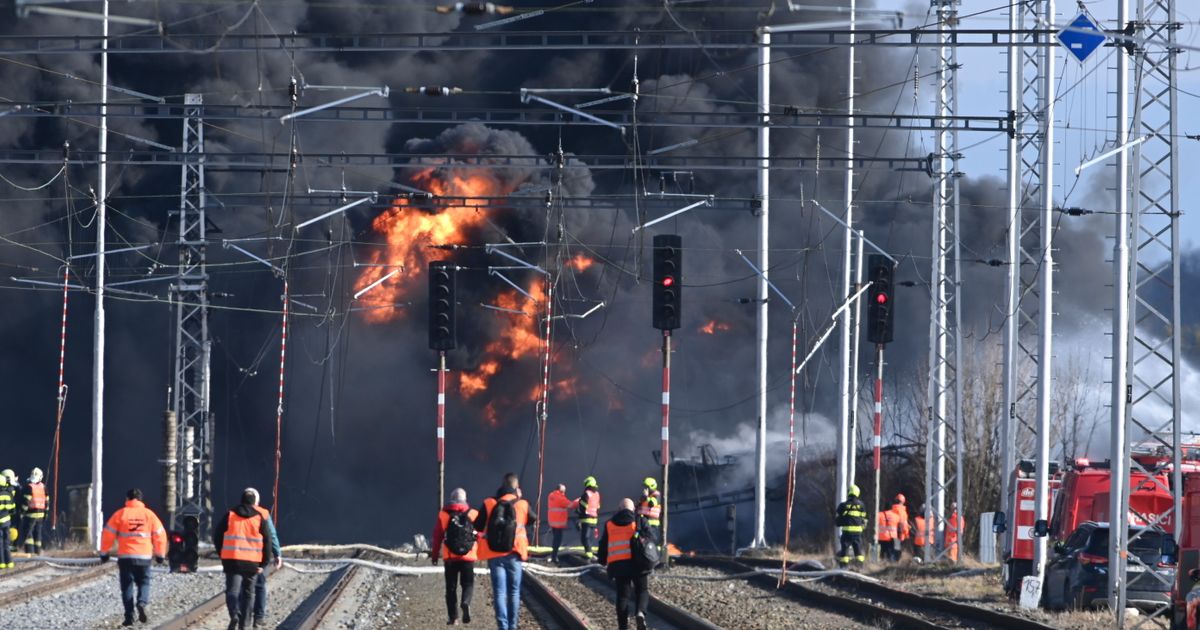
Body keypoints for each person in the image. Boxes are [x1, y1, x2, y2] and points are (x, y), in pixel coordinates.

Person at [99, 488, 168, 627]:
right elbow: (160, 535)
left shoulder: (120, 514)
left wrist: (104, 553)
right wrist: (160, 555)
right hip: (144, 557)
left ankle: (129, 616)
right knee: (144, 582)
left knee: (127, 587)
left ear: (127, 499)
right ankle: (142, 603)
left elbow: (108, 534)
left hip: (125, 557)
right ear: (141, 500)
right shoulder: (149, 515)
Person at [474, 473, 534, 630]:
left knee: (500, 593)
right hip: (515, 553)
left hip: (495, 555)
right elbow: (532, 519)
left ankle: (503, 627)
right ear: (516, 486)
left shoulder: (489, 503)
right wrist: (519, 497)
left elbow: (478, 526)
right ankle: (513, 627)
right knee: (514, 592)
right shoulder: (523, 504)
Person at [214, 490, 275, 630]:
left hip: (232, 561)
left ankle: (235, 614)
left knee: (232, 591)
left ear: (241, 500)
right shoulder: (259, 518)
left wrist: (222, 554)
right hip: (252, 563)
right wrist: (264, 563)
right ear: (254, 503)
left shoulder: (230, 515)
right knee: (249, 593)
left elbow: (217, 535)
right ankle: (245, 625)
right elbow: (268, 541)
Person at [598, 498, 651, 630]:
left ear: (619, 509)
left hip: (618, 565)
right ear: (633, 509)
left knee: (622, 596)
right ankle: (640, 613)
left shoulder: (609, 524)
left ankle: (623, 627)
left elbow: (603, 545)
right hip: (639, 564)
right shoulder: (640, 520)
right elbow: (651, 538)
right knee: (642, 591)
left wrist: (602, 560)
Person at [433, 487, 479, 626]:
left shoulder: (444, 514)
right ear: (465, 499)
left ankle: (453, 618)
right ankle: (465, 602)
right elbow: (480, 534)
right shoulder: (473, 514)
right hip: (468, 556)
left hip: (450, 557)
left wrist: (435, 555)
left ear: (451, 499)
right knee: (468, 584)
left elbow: (437, 536)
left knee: (451, 588)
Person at [244, 488, 282, 628]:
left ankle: (244, 618)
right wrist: (277, 554)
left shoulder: (234, 513)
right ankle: (258, 618)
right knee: (259, 586)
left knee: (244, 587)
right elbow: (271, 535)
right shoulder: (263, 514)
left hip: (241, 557)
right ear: (257, 501)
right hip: (258, 557)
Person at [834, 484, 867, 569]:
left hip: (847, 533)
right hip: (857, 533)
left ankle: (843, 568)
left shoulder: (843, 505)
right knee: (858, 551)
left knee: (844, 551)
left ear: (849, 493)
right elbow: (864, 519)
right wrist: (862, 528)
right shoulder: (861, 506)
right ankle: (860, 568)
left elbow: (837, 519)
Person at [20, 467, 48, 554]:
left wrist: (22, 513)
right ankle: (38, 552)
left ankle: (30, 552)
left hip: (30, 515)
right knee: (38, 534)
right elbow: (47, 502)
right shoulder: (44, 487)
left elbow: (26, 502)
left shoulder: (29, 487)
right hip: (40, 515)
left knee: (28, 534)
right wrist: (46, 514)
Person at [573, 476, 601, 561]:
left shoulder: (586, 494)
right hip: (594, 519)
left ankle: (589, 555)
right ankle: (590, 553)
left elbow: (582, 507)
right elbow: (598, 506)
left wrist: (577, 512)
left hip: (586, 519)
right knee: (590, 537)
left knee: (585, 538)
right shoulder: (597, 494)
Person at [546, 484, 571, 564]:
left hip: (553, 522)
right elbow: (571, 505)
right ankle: (554, 556)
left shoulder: (551, 495)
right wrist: (578, 501)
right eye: (563, 491)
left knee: (555, 539)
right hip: (559, 523)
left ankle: (554, 555)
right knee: (557, 540)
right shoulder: (560, 498)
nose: (564, 493)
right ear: (560, 491)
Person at [636, 478, 662, 543]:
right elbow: (637, 505)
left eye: (646, 487)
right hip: (642, 524)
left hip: (652, 524)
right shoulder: (645, 496)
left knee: (652, 540)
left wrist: (646, 497)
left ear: (651, 487)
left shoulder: (656, 495)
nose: (645, 489)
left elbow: (651, 504)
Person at [2, 469, 18, 555]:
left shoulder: (6, 490)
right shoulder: (14, 488)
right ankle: (10, 547)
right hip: (11, 514)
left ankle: (9, 546)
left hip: (7, 515)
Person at [0, 472, 14, 570]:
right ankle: (9, 563)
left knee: (0, 543)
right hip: (7, 522)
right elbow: (12, 508)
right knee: (6, 543)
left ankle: (1, 563)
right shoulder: (8, 494)